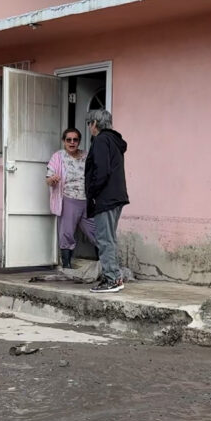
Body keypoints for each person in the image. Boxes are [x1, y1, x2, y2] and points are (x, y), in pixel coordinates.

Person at [84, 109, 128, 293]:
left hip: (106, 197)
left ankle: (112, 279)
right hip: (115, 196)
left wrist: (92, 192)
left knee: (104, 239)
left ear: (94, 123)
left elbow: (101, 170)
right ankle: (113, 277)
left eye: (89, 123)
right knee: (108, 238)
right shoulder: (113, 140)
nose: (88, 127)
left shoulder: (101, 140)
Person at [45, 127, 95, 268]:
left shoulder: (86, 156)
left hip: (87, 200)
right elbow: (48, 179)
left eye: (75, 140)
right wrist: (52, 179)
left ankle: (104, 264)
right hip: (69, 199)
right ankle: (66, 266)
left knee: (96, 231)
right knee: (67, 233)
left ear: (79, 141)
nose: (72, 142)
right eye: (69, 140)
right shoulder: (58, 157)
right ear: (63, 141)